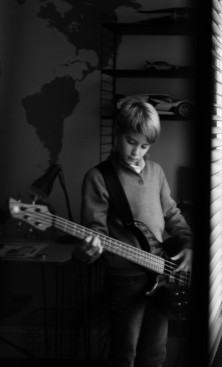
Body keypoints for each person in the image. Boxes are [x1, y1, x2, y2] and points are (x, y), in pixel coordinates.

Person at [74, 97, 193, 367]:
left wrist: (188, 244)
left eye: (144, 146)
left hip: (161, 272)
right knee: (124, 352)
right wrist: (90, 247)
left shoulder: (156, 172)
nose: (136, 152)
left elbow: (172, 213)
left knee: (156, 352)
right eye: (131, 141)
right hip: (124, 280)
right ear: (117, 133)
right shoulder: (98, 177)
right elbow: (95, 229)